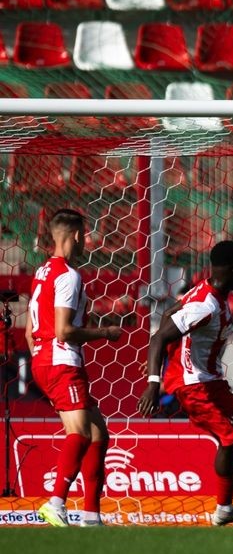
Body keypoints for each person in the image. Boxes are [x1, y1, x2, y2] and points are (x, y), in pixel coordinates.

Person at [137, 241, 233, 527]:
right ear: (232, 269)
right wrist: (154, 382)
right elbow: (159, 337)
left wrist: (169, 361)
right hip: (196, 387)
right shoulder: (205, 304)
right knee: (231, 437)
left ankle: (230, 511)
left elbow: (169, 316)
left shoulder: (207, 293)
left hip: (211, 383)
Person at [27, 209, 122, 527]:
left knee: (98, 433)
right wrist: (105, 334)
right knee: (79, 433)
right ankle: (56, 503)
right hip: (62, 362)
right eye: (86, 236)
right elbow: (64, 331)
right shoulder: (69, 275)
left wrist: (43, 358)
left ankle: (92, 516)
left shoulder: (42, 272)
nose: (87, 242)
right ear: (77, 236)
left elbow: (30, 332)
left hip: (45, 360)